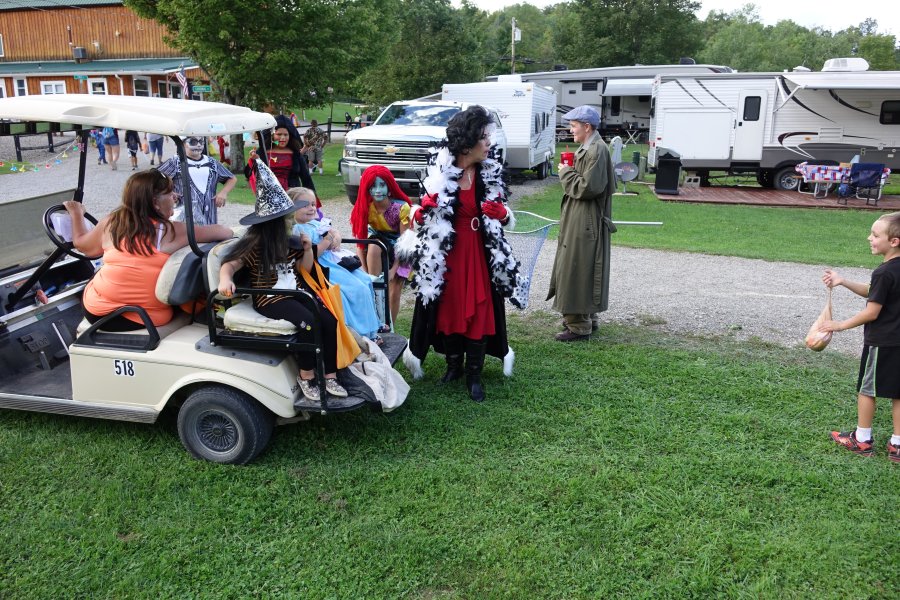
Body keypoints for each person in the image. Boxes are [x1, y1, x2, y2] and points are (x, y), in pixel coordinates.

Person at [398, 105, 527, 402]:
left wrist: (503, 214)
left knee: (480, 311)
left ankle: (474, 376)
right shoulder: (439, 171)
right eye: (484, 137)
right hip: (449, 257)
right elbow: (420, 215)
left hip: (479, 254)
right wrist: (422, 211)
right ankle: (453, 366)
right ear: (467, 143)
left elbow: (505, 217)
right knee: (450, 309)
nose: (489, 143)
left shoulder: (489, 172)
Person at [218, 161, 347, 402]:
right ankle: (306, 375)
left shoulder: (293, 241)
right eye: (286, 219)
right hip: (269, 298)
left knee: (330, 320)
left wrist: (308, 249)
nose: (290, 222)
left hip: (295, 292)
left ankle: (330, 374)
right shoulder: (255, 244)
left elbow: (304, 270)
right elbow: (230, 264)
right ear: (272, 223)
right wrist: (225, 279)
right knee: (309, 323)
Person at [63, 170, 233, 331]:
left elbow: (84, 246)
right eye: (170, 193)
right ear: (154, 203)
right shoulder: (174, 231)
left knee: (96, 273)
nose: (175, 197)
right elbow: (225, 232)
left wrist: (76, 214)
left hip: (100, 311)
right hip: (148, 315)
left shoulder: (112, 222)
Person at [820, 212, 900, 463]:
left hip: (882, 342)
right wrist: (842, 281)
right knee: (899, 393)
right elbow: (873, 291)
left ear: (894, 241)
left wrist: (840, 324)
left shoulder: (884, 272)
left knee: (867, 389)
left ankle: (862, 439)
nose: (870, 238)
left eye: (876, 235)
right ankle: (898, 445)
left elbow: (872, 310)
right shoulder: (892, 271)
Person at [547, 105, 616, 342]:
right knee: (581, 265)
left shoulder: (596, 150)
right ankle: (587, 317)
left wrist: (565, 172)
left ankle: (578, 325)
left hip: (586, 219)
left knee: (577, 267)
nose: (570, 130)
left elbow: (588, 188)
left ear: (587, 127)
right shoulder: (591, 147)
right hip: (583, 217)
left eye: (574, 125)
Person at [290, 187, 383, 344]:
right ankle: (361, 334)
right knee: (355, 289)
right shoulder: (298, 230)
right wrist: (327, 241)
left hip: (334, 260)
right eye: (305, 205)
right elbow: (310, 255)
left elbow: (334, 233)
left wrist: (336, 237)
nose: (311, 208)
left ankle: (372, 327)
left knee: (366, 281)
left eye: (313, 204)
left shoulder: (315, 223)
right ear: (292, 207)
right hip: (321, 266)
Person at [350, 165, 413, 325]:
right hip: (377, 246)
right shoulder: (364, 209)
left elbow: (405, 242)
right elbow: (360, 242)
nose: (378, 190)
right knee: (375, 287)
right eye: (373, 186)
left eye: (382, 185)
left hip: (401, 249)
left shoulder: (401, 208)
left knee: (394, 291)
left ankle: (390, 326)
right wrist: (364, 272)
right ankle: (377, 322)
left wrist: (394, 269)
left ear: (390, 187)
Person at [157, 136, 236, 226]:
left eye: (201, 141)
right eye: (193, 142)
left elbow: (231, 178)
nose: (198, 145)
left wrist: (223, 193)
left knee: (210, 237)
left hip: (210, 218)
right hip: (184, 219)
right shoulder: (175, 162)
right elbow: (154, 179)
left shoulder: (212, 162)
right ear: (183, 144)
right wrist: (169, 192)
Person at [245, 115, 317, 195]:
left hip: (292, 196)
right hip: (270, 197)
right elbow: (248, 173)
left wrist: (312, 197)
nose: (283, 137)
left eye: (286, 135)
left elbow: (306, 177)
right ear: (272, 135)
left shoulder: (295, 154)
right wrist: (254, 160)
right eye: (279, 134)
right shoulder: (263, 152)